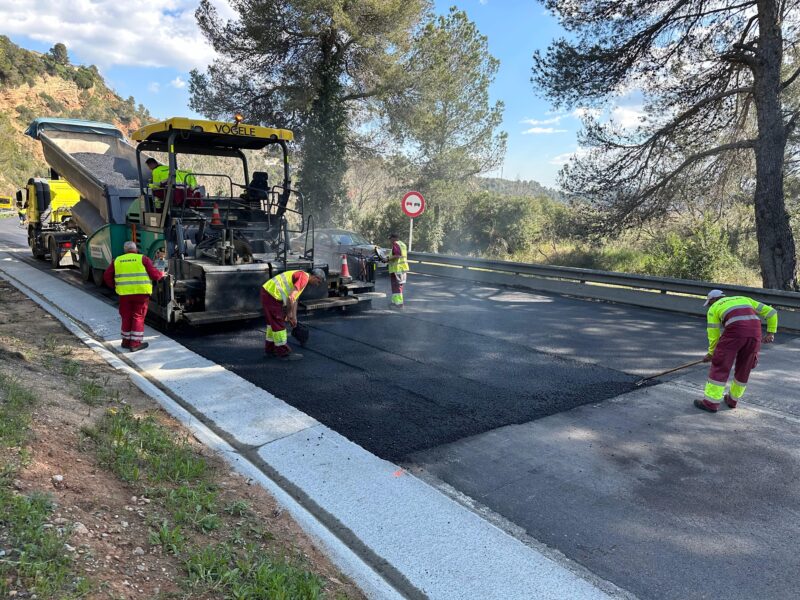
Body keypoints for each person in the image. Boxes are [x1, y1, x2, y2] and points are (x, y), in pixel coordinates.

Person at [695, 289, 777, 412]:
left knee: (721, 365)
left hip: (734, 333)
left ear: (713, 299)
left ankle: (710, 403)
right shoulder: (744, 299)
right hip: (755, 333)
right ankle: (732, 400)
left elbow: (714, 335)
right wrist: (770, 332)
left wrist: (712, 353)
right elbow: (771, 312)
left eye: (709, 303)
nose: (709, 306)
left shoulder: (714, 308)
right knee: (745, 367)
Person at [103, 241, 164, 352]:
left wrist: (115, 286)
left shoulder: (117, 260)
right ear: (135, 250)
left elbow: (107, 276)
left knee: (126, 316)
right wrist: (162, 274)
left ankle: (126, 342)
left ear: (125, 250)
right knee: (138, 317)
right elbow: (155, 275)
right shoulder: (143, 259)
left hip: (124, 294)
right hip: (141, 294)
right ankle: (135, 344)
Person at [261, 269, 325, 360]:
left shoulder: (302, 276)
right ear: (315, 277)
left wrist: (294, 317)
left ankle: (270, 350)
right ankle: (283, 353)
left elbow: (295, 299)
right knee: (279, 325)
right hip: (271, 295)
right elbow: (291, 298)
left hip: (269, 293)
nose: (317, 285)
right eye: (318, 282)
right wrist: (288, 314)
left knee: (273, 325)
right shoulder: (304, 278)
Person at [386, 232, 409, 308]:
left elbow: (397, 255)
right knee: (395, 286)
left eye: (391, 239)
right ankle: (395, 302)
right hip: (401, 268)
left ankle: (399, 303)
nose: (390, 241)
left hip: (398, 269)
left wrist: (388, 259)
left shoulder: (396, 244)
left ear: (394, 238)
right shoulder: (402, 244)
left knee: (398, 286)